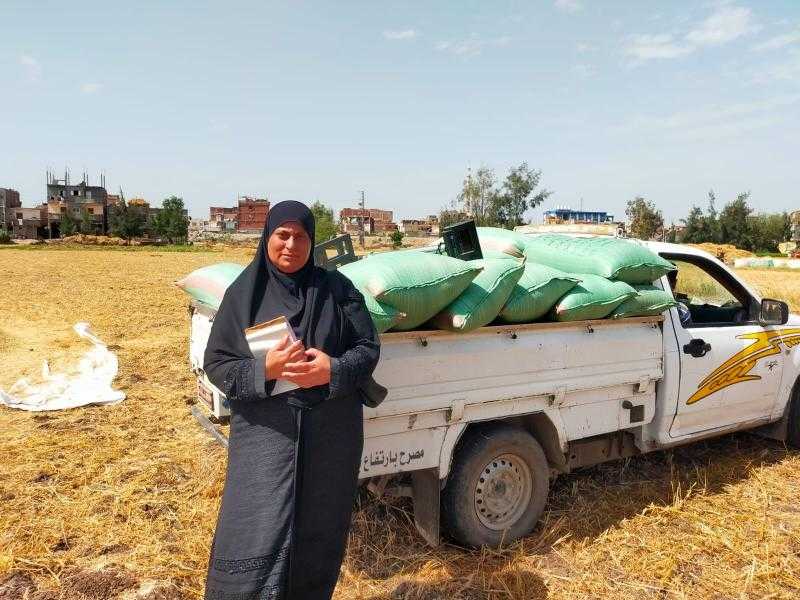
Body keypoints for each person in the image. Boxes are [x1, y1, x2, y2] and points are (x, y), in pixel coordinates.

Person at [203, 201, 381, 600]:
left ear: (311, 240)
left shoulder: (337, 290)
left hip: (329, 438)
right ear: (267, 237)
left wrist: (331, 370)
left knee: (319, 531)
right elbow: (217, 364)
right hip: (267, 438)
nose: (291, 244)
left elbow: (367, 349)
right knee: (254, 527)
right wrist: (266, 368)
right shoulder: (243, 295)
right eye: (282, 235)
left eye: (300, 236)